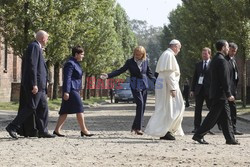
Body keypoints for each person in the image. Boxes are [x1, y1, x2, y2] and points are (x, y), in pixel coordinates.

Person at [6, 30, 55, 139]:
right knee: (31, 106)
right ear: (43, 38)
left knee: (43, 108)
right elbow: (31, 66)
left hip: (41, 86)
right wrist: (34, 84)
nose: (47, 40)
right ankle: (12, 126)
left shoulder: (38, 48)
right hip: (35, 85)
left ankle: (43, 131)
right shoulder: (34, 47)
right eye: (47, 38)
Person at [100, 46, 156, 135]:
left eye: (140, 55)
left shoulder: (146, 61)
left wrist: (156, 82)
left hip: (144, 85)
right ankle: (138, 128)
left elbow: (149, 74)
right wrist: (108, 75)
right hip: (135, 84)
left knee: (143, 106)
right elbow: (120, 70)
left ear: (143, 54)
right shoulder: (130, 62)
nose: (137, 56)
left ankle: (134, 127)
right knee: (140, 104)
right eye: (136, 54)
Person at [192, 40, 239, 145]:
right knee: (212, 116)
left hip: (218, 93)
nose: (228, 49)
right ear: (223, 48)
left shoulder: (216, 59)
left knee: (226, 117)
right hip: (220, 94)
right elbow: (224, 79)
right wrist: (228, 93)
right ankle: (198, 135)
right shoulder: (221, 60)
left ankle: (230, 138)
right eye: (227, 47)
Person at [145, 39, 184, 140]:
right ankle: (164, 130)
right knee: (171, 108)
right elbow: (169, 74)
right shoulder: (169, 55)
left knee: (167, 108)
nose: (179, 50)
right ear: (175, 46)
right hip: (167, 85)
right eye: (179, 48)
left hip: (165, 84)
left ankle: (166, 130)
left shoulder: (166, 54)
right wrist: (173, 88)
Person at [53, 46, 94, 137]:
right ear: (76, 54)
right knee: (80, 108)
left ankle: (56, 130)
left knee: (64, 110)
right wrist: (66, 91)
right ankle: (84, 130)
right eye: (82, 54)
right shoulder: (70, 63)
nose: (83, 56)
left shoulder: (76, 63)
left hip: (75, 89)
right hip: (71, 89)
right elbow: (67, 78)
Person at [190, 47, 214, 134]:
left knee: (211, 109)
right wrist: (192, 89)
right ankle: (197, 127)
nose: (203, 55)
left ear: (209, 54)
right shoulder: (198, 64)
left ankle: (208, 127)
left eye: (205, 53)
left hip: (209, 90)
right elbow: (195, 77)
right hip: (199, 90)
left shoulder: (213, 64)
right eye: (202, 53)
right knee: (198, 109)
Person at [225, 42, 243, 135]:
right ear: (228, 49)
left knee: (233, 109)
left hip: (232, 90)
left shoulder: (233, 60)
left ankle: (234, 128)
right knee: (221, 111)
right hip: (226, 90)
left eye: (235, 51)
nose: (233, 53)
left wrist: (234, 89)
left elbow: (235, 76)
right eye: (232, 51)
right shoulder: (224, 60)